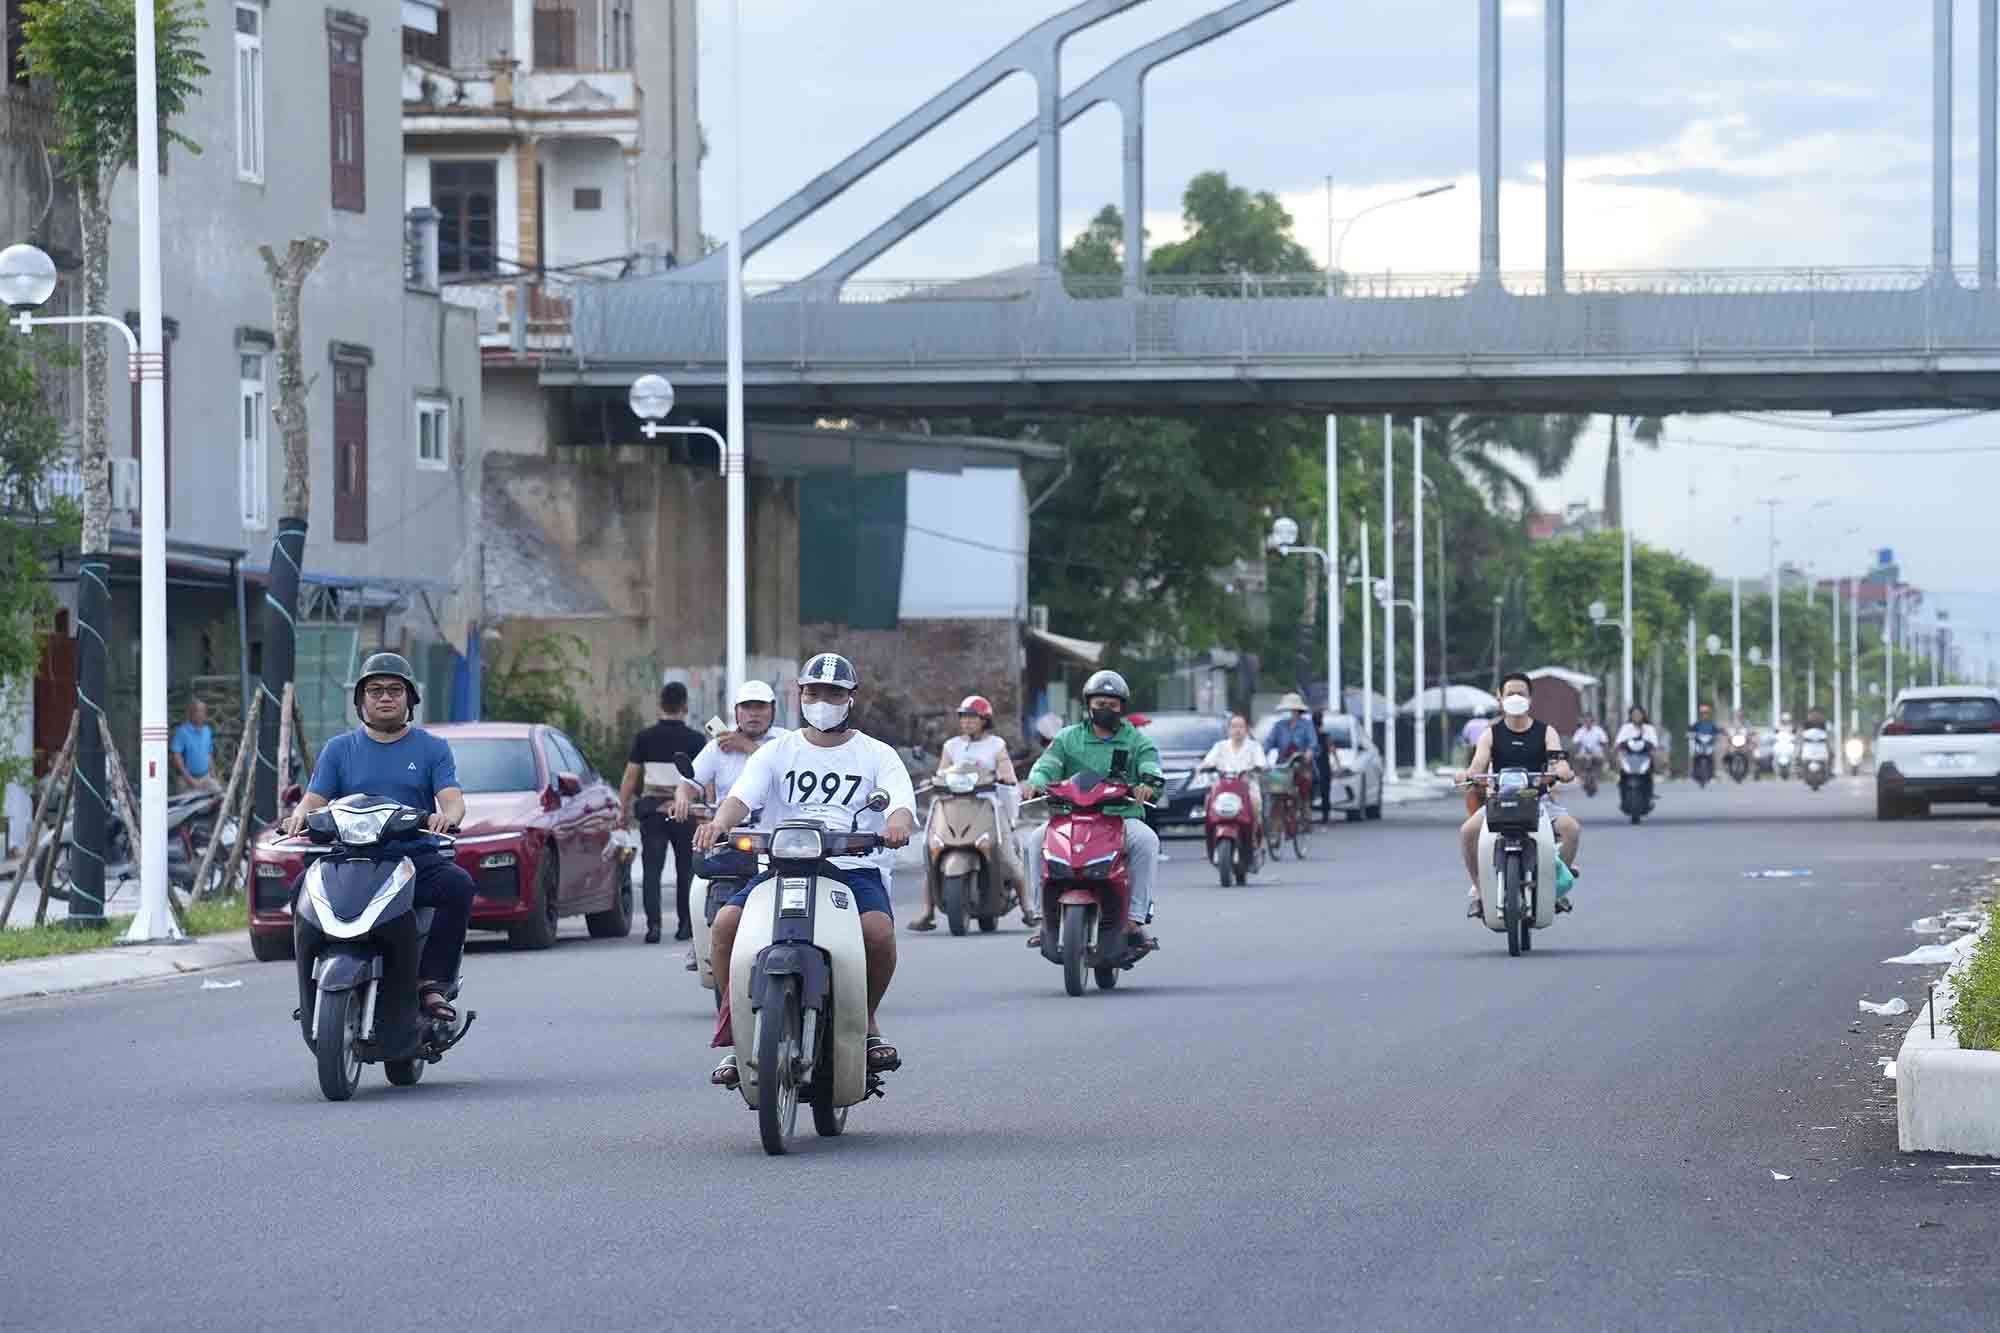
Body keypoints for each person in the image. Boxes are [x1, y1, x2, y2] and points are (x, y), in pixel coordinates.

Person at [695, 653, 915, 1087]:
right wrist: (720, 822)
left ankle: (865, 1022)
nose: (822, 701)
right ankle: (739, 1033)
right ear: (800, 696)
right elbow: (742, 797)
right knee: (724, 924)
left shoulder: (877, 754)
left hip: (853, 868)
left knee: (877, 934)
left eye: (834, 693)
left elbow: (901, 802)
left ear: (851, 699)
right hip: (783, 866)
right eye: (814, 692)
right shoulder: (777, 752)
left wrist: (896, 825)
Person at [281, 653, 474, 1023]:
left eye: (395, 690)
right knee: (300, 889)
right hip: (349, 857)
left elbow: (452, 799)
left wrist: (447, 818)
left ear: (409, 700)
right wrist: (297, 817)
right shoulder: (339, 749)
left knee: (459, 886)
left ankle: (431, 981)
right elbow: (313, 800)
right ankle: (313, 986)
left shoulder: (432, 748)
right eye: (376, 690)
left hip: (412, 857)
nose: (385, 697)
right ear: (361, 700)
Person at [1019, 669, 1166, 952]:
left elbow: (1151, 764)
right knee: (1034, 841)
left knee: (1148, 841)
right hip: (1070, 817)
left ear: (1122, 707)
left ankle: (1135, 919)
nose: (1105, 710)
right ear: (1089, 705)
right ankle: (1042, 916)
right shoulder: (1068, 738)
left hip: (1120, 818)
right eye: (1099, 704)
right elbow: (1047, 764)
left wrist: (1147, 783)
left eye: (1112, 705)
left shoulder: (1136, 740)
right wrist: (1035, 782)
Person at [1457, 670, 1580, 920]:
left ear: (1530, 699)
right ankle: (1482, 894)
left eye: (1521, 693)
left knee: (1571, 830)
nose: (1515, 697)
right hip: (1499, 802)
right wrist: (1468, 775)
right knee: (1467, 832)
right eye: (1510, 693)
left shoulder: (1546, 732)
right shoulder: (1490, 733)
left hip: (1539, 802)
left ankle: (1554, 889)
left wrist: (1563, 771)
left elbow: (1557, 760)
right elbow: (1478, 764)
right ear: (1500, 698)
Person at [910, 694, 1032, 932]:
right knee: (932, 850)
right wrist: (933, 779)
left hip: (988, 805)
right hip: (953, 803)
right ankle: (927, 911)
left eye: (972, 718)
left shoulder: (996, 745)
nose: (966, 722)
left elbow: (1006, 769)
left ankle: (1028, 908)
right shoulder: (952, 746)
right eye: (964, 718)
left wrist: (1005, 776)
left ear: (985, 720)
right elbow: (942, 772)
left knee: (1007, 855)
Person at [617, 682, 707, 944]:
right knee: (685, 869)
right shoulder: (695, 739)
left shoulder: (644, 737)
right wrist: (710, 806)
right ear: (685, 706)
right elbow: (707, 779)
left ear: (660, 705)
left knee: (652, 870)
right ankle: (684, 926)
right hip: (684, 811)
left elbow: (631, 776)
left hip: (652, 812)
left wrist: (621, 808)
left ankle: (653, 927)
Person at [1198, 712, 1267, 835]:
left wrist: (1256, 769)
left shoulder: (1254, 747)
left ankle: (1253, 837)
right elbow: (1207, 762)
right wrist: (1204, 766)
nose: (1237, 730)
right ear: (1228, 729)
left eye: (1241, 726)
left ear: (1247, 729)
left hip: (1247, 787)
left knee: (1255, 804)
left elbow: (1262, 764)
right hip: (1223, 788)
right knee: (1209, 802)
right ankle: (1212, 840)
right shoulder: (1220, 746)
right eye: (1234, 726)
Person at [170, 697, 220, 793]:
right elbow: (177, 758)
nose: (203, 714)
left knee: (220, 796)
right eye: (199, 711)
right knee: (191, 806)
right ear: (191, 714)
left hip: (206, 778)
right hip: (186, 779)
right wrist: (189, 779)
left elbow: (209, 755)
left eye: (204, 711)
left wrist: (213, 776)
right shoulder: (182, 731)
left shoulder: (207, 730)